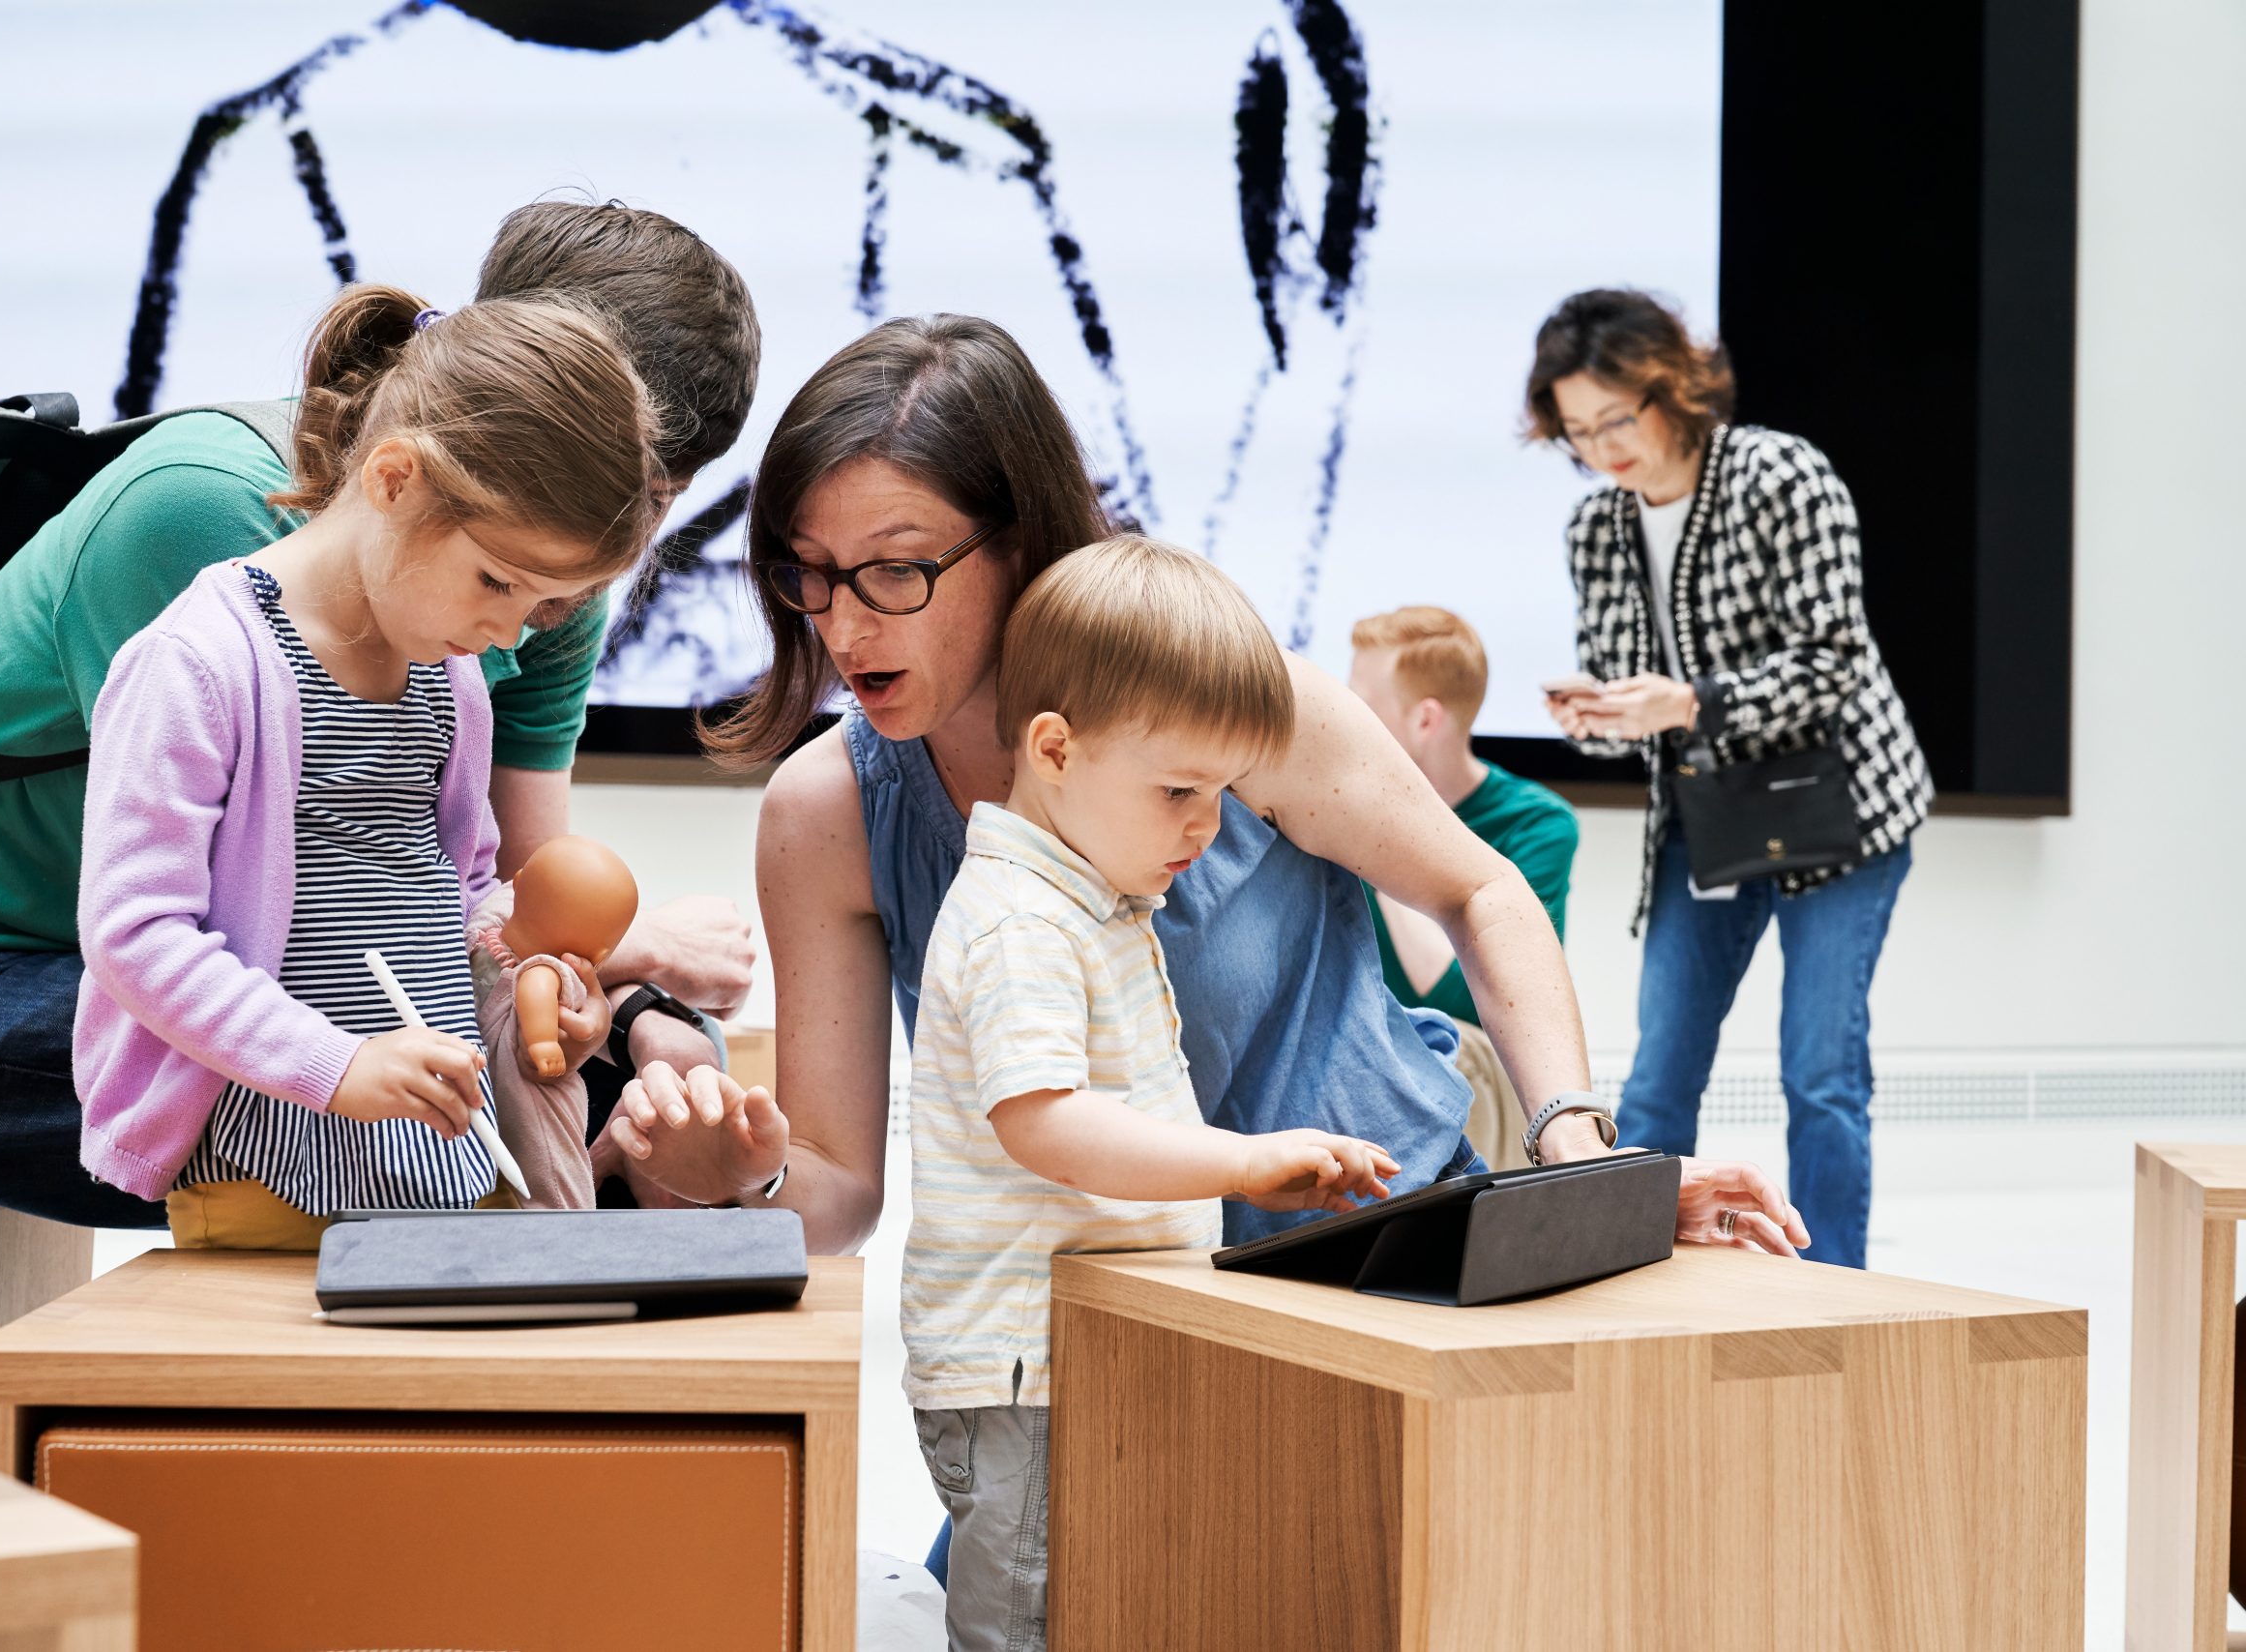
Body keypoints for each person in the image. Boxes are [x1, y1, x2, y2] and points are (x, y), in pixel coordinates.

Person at [598, 312, 1805, 1254]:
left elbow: (1481, 893)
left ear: (1018, 539)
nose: (846, 627)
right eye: (809, 575)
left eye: (897, 572)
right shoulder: (827, 814)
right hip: (1102, 1321)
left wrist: (1578, 1156)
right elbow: (842, 1192)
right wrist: (732, 1173)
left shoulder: (1226, 693)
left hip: (1382, 1239)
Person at [0, 202, 761, 1227]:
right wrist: (631, 963)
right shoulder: (210, 530)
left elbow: (486, 900)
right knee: (406, 1126)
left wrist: (627, 1010)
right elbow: (208, 927)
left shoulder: (523, 578)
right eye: (628, 481)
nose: (546, 613)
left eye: (661, 497)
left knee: (605, 1096)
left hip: (175, 966)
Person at [74, 284, 659, 1246]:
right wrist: (334, 1066)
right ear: (393, 479)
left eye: (541, 608)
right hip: (274, 1170)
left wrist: (526, 994)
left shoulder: (450, 680)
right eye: (497, 582)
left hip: (450, 1157)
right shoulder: (199, 662)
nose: (507, 628)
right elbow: (135, 933)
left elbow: (461, 890)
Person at [902, 534, 1394, 1651]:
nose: (1208, 824)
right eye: (1179, 787)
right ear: (1056, 749)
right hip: (1022, 1374)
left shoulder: (1092, 901)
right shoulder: (1024, 920)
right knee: (1024, 1625)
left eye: (1223, 792)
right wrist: (1247, 1157)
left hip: (1082, 1355)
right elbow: (1046, 1123)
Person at [1526, 287, 1930, 1270]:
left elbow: (1833, 661)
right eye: (1577, 432)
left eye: (1617, 418)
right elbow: (1639, 704)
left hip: (1843, 812)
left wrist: (1688, 703)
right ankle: (1638, 1276)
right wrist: (1605, 716)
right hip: (1707, 818)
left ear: (1675, 387)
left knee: (1820, 1072)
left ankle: (1829, 1286)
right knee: (1658, 1076)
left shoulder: (1782, 474)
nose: (1602, 448)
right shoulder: (1597, 527)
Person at [1346, 605, 1579, 1169]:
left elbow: (1459, 999)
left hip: (1469, 1064)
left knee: (1446, 1049)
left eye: (1361, 706)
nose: (1343, 720)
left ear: (1425, 721)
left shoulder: (1535, 824)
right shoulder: (1327, 807)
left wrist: (1375, 836)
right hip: (1361, 1049)